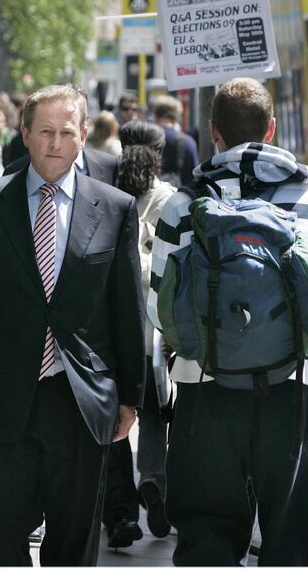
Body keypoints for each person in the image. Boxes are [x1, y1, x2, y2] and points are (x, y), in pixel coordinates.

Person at [147, 77, 308, 566]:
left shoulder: (184, 205)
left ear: (213, 131)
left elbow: (161, 309)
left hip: (205, 392)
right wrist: (286, 341)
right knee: (290, 539)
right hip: (294, 392)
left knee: (207, 539)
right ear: (272, 129)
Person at [0, 84, 146, 566]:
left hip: (80, 399)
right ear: (25, 135)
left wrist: (131, 398)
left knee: (73, 542)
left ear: (83, 136)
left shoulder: (115, 208)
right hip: (2, 395)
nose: (55, 142)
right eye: (45, 132)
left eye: (66, 132)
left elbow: (126, 309)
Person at [103, 120, 176, 548]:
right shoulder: (168, 199)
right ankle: (153, 478)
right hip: (153, 325)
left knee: (112, 416)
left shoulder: (104, 189)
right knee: (152, 413)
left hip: (113, 324)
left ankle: (117, 505)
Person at [150, 94, 199, 187]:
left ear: (155, 115)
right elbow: (194, 179)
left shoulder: (145, 138)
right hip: (179, 197)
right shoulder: (187, 142)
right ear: (177, 116)